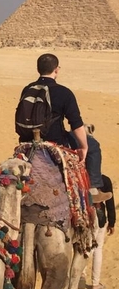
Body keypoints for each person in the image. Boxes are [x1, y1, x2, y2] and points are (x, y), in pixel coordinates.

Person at [17, 54, 111, 204]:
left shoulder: (27, 89)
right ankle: (93, 189)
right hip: (55, 142)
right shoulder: (63, 92)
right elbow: (76, 125)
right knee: (93, 146)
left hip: (27, 141)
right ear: (57, 69)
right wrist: (84, 147)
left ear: (38, 69)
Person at [84, 174, 115, 289]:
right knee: (98, 248)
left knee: (86, 247)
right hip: (100, 215)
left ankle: (82, 273)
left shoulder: (82, 177)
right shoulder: (105, 180)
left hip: (85, 215)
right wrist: (112, 222)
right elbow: (110, 203)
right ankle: (95, 283)